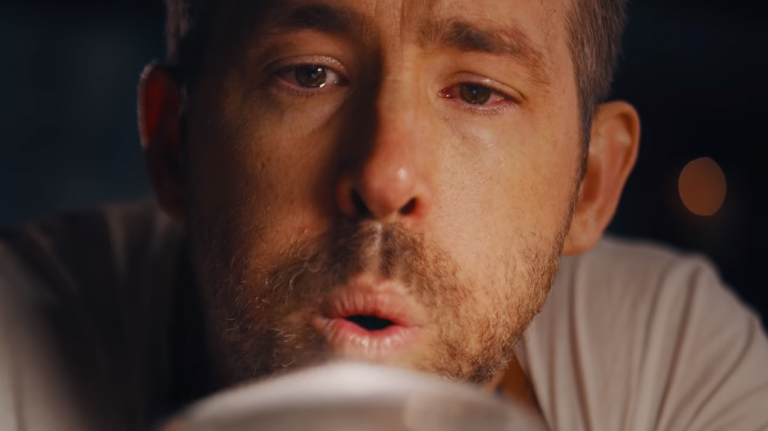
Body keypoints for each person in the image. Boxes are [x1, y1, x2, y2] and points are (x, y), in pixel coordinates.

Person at [0, 0, 766, 429]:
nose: (383, 178)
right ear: (175, 145)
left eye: (477, 92)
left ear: (589, 186)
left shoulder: (672, 362)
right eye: (309, 74)